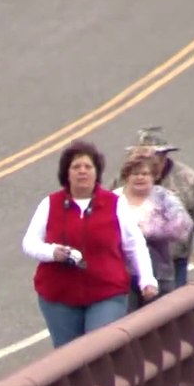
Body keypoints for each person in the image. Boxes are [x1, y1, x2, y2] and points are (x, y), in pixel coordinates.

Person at [23, 139, 158, 349]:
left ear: (97, 172)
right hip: (59, 296)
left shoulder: (114, 203)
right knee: (68, 359)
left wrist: (147, 280)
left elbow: (134, 244)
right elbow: (29, 243)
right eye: (76, 167)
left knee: (96, 349)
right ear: (66, 173)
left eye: (88, 167)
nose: (82, 172)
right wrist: (52, 252)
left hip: (107, 293)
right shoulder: (50, 204)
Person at [122, 127, 194, 287]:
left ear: (163, 156)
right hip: (130, 263)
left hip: (173, 261)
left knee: (172, 304)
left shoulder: (186, 179)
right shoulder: (124, 179)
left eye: (153, 157)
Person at [114, 152, 193, 309]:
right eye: (135, 173)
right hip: (122, 276)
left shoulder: (164, 197)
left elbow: (182, 226)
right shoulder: (113, 199)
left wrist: (145, 231)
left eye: (145, 173)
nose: (140, 177)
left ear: (154, 176)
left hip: (160, 273)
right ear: (126, 176)